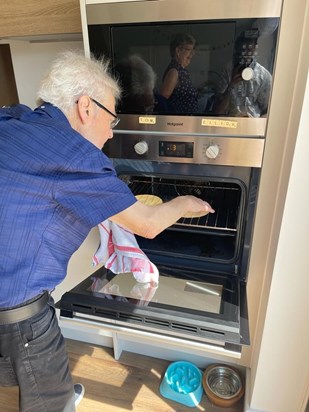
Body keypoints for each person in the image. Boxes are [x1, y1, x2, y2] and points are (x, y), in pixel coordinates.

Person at [0, 50, 214, 412]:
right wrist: (186, 203)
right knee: (46, 397)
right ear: (86, 107)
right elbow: (146, 225)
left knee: (28, 377)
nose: (111, 132)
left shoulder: (13, 118)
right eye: (112, 117)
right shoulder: (77, 157)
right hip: (17, 313)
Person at [213, 30, 272, 117]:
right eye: (243, 48)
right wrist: (231, 85)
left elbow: (268, 110)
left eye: (249, 48)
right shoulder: (227, 70)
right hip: (231, 123)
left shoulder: (263, 75)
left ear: (255, 47)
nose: (245, 53)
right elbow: (217, 111)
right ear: (238, 48)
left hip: (253, 124)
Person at [160, 32, 198, 113]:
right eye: (189, 50)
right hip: (178, 122)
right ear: (178, 51)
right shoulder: (174, 71)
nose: (192, 53)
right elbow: (162, 101)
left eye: (193, 50)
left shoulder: (180, 71)